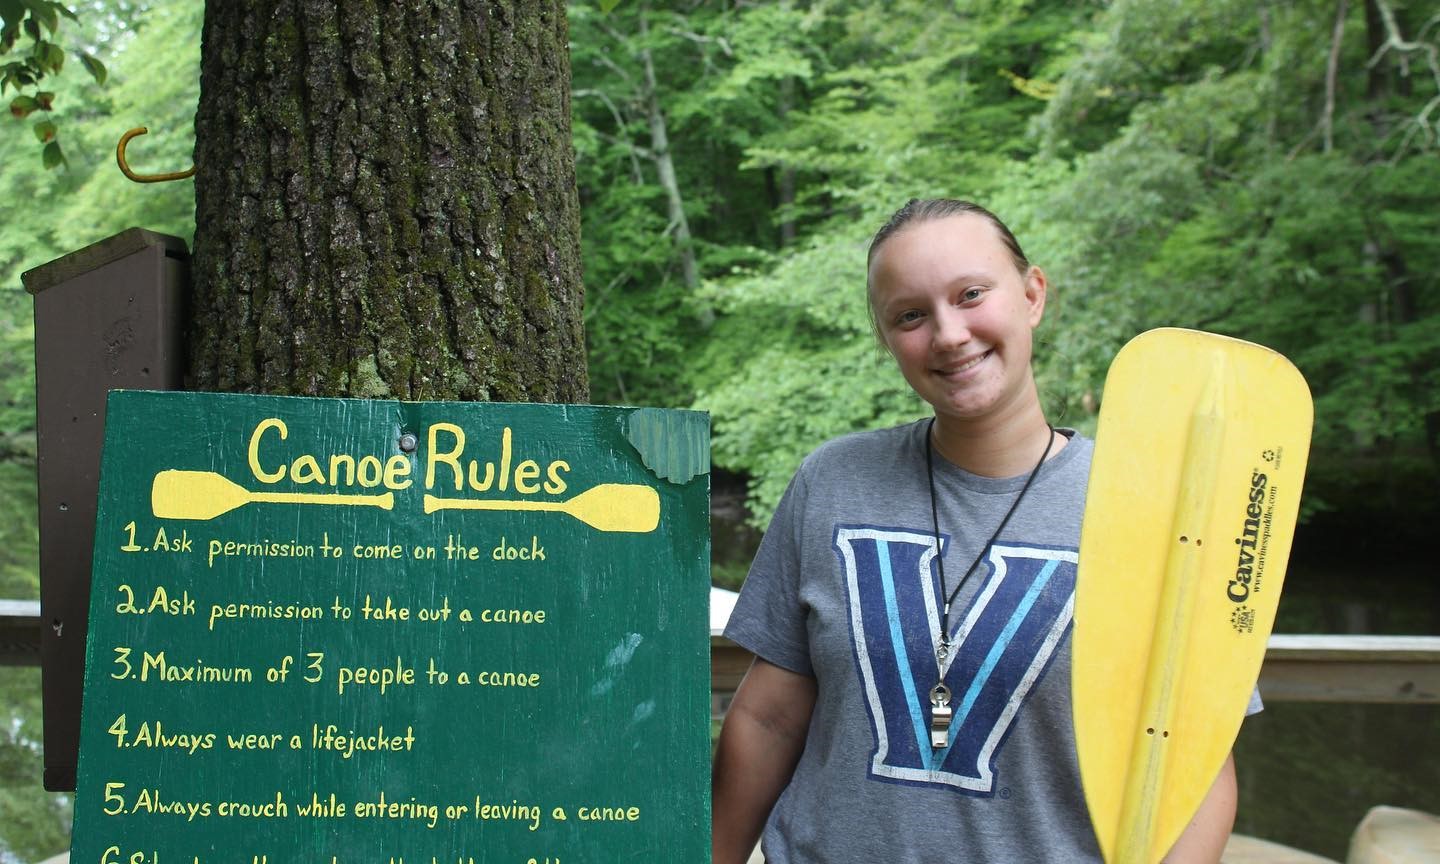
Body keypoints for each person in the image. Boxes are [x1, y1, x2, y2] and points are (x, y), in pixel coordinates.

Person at [711, 199, 1241, 863]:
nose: (949, 333)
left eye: (971, 294)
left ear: (1032, 295)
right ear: (886, 338)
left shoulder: (1153, 514)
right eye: (910, 315)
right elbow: (768, 717)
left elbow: (1200, 770)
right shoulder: (833, 482)